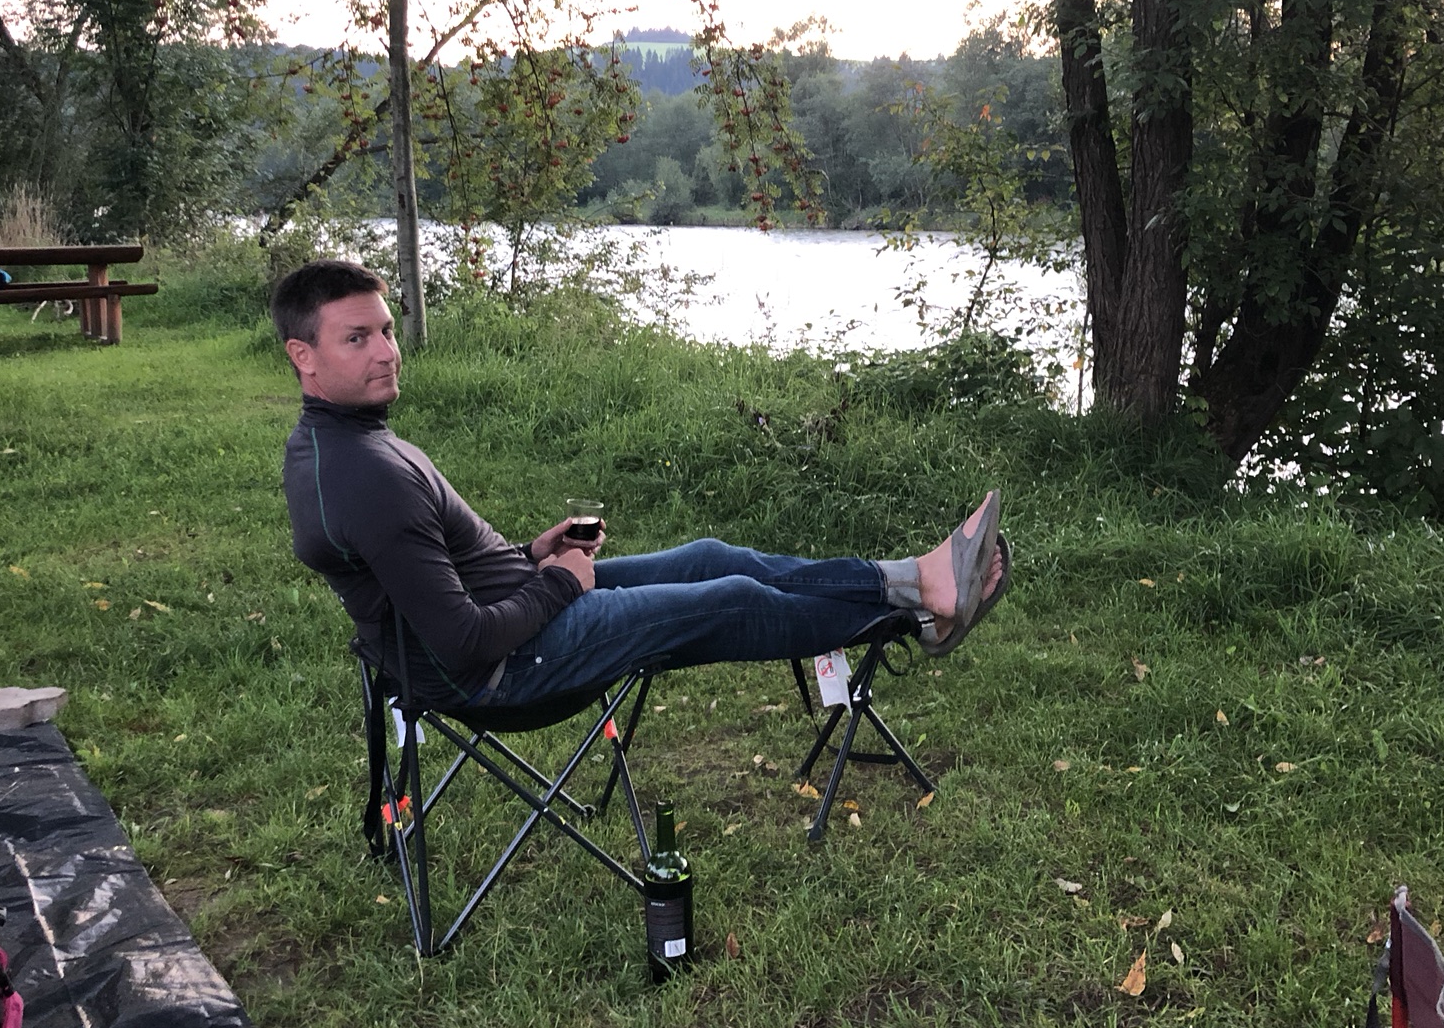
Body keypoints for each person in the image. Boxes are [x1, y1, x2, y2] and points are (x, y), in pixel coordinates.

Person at [275, 259, 1010, 712]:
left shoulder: (337, 442)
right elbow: (464, 642)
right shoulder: (366, 477)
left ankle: (919, 590)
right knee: (733, 599)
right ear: (303, 355)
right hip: (507, 669)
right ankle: (923, 598)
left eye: (386, 330)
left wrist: (534, 554)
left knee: (712, 557)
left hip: (517, 607)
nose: (386, 352)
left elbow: (428, 575)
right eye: (357, 339)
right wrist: (559, 583)